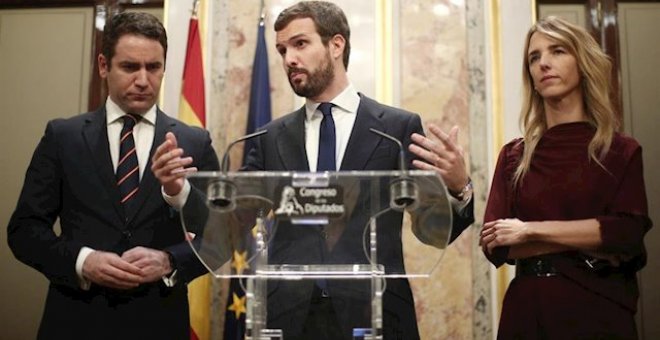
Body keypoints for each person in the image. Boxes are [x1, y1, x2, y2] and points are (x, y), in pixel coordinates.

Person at [154, 1, 474, 339]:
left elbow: (430, 229)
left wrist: (457, 188)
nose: (289, 58)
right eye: (282, 49)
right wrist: (180, 190)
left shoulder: (395, 128)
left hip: (376, 313)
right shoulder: (269, 138)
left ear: (336, 45)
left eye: (300, 44)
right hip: (289, 318)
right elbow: (232, 226)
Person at [7, 12, 219, 340]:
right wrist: (83, 261)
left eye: (154, 67)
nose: (143, 80)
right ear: (104, 66)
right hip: (75, 321)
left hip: (160, 323)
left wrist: (169, 260)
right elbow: (24, 231)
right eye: (130, 67)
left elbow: (222, 240)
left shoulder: (194, 142)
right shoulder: (63, 136)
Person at [480, 16, 652, 339]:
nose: (544, 63)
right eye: (534, 57)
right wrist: (590, 236)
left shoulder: (620, 150)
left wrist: (528, 230)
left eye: (557, 51)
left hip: (598, 310)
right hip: (527, 314)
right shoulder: (514, 156)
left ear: (582, 62)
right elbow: (495, 244)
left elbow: (627, 233)